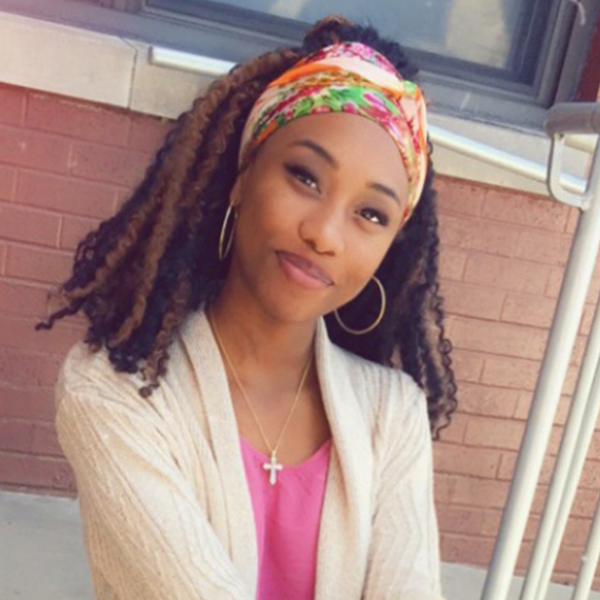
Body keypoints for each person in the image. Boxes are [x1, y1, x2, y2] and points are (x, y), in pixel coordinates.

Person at [39, 14, 457, 600]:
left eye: (371, 214)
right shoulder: (113, 391)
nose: (325, 234)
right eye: (305, 177)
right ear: (242, 175)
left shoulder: (393, 416)